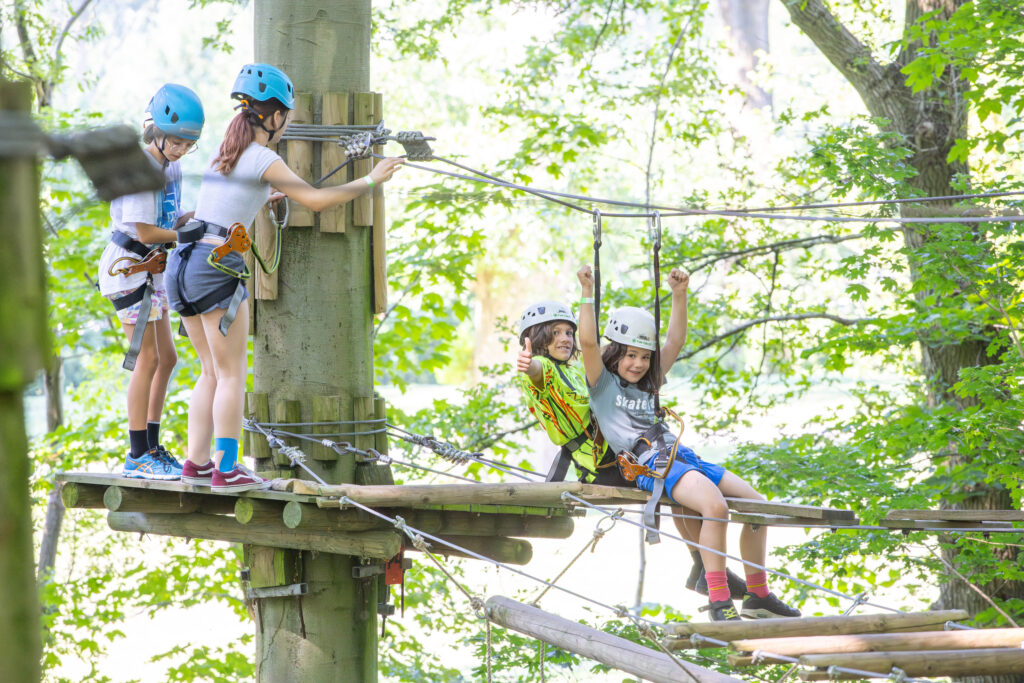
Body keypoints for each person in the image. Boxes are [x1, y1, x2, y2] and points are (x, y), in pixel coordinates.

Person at [166, 63, 403, 492]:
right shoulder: (262, 157)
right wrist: (371, 179)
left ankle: (197, 465)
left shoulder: (228, 153)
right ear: (273, 117)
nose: (287, 123)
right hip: (214, 269)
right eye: (286, 116)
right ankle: (227, 468)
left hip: (182, 267)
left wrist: (265, 195)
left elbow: (230, 202)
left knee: (210, 372)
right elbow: (315, 200)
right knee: (232, 373)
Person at [575, 264, 800, 621]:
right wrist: (587, 293)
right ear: (615, 353)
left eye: (645, 356)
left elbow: (674, 342)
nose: (638, 363)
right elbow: (587, 341)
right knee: (716, 508)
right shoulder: (602, 385)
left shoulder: (651, 382)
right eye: (631, 355)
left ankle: (758, 595)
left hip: (683, 456)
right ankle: (720, 601)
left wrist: (679, 295)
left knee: (759, 508)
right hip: (650, 463)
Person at [514, 300, 746, 599]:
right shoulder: (544, 369)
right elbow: (536, 372)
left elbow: (664, 345)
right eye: (555, 332)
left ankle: (703, 565)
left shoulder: (572, 370)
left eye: (568, 333)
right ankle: (709, 571)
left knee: (684, 487)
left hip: (620, 457)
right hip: (606, 467)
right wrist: (527, 363)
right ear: (536, 338)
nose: (564, 338)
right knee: (685, 487)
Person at [98, 83, 205, 480]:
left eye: (188, 144)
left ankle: (153, 447)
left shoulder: (170, 168)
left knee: (168, 358)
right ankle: (137, 453)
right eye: (175, 141)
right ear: (155, 130)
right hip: (128, 268)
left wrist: (203, 218)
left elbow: (170, 220)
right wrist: (186, 236)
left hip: (151, 267)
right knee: (147, 358)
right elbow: (145, 231)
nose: (179, 150)